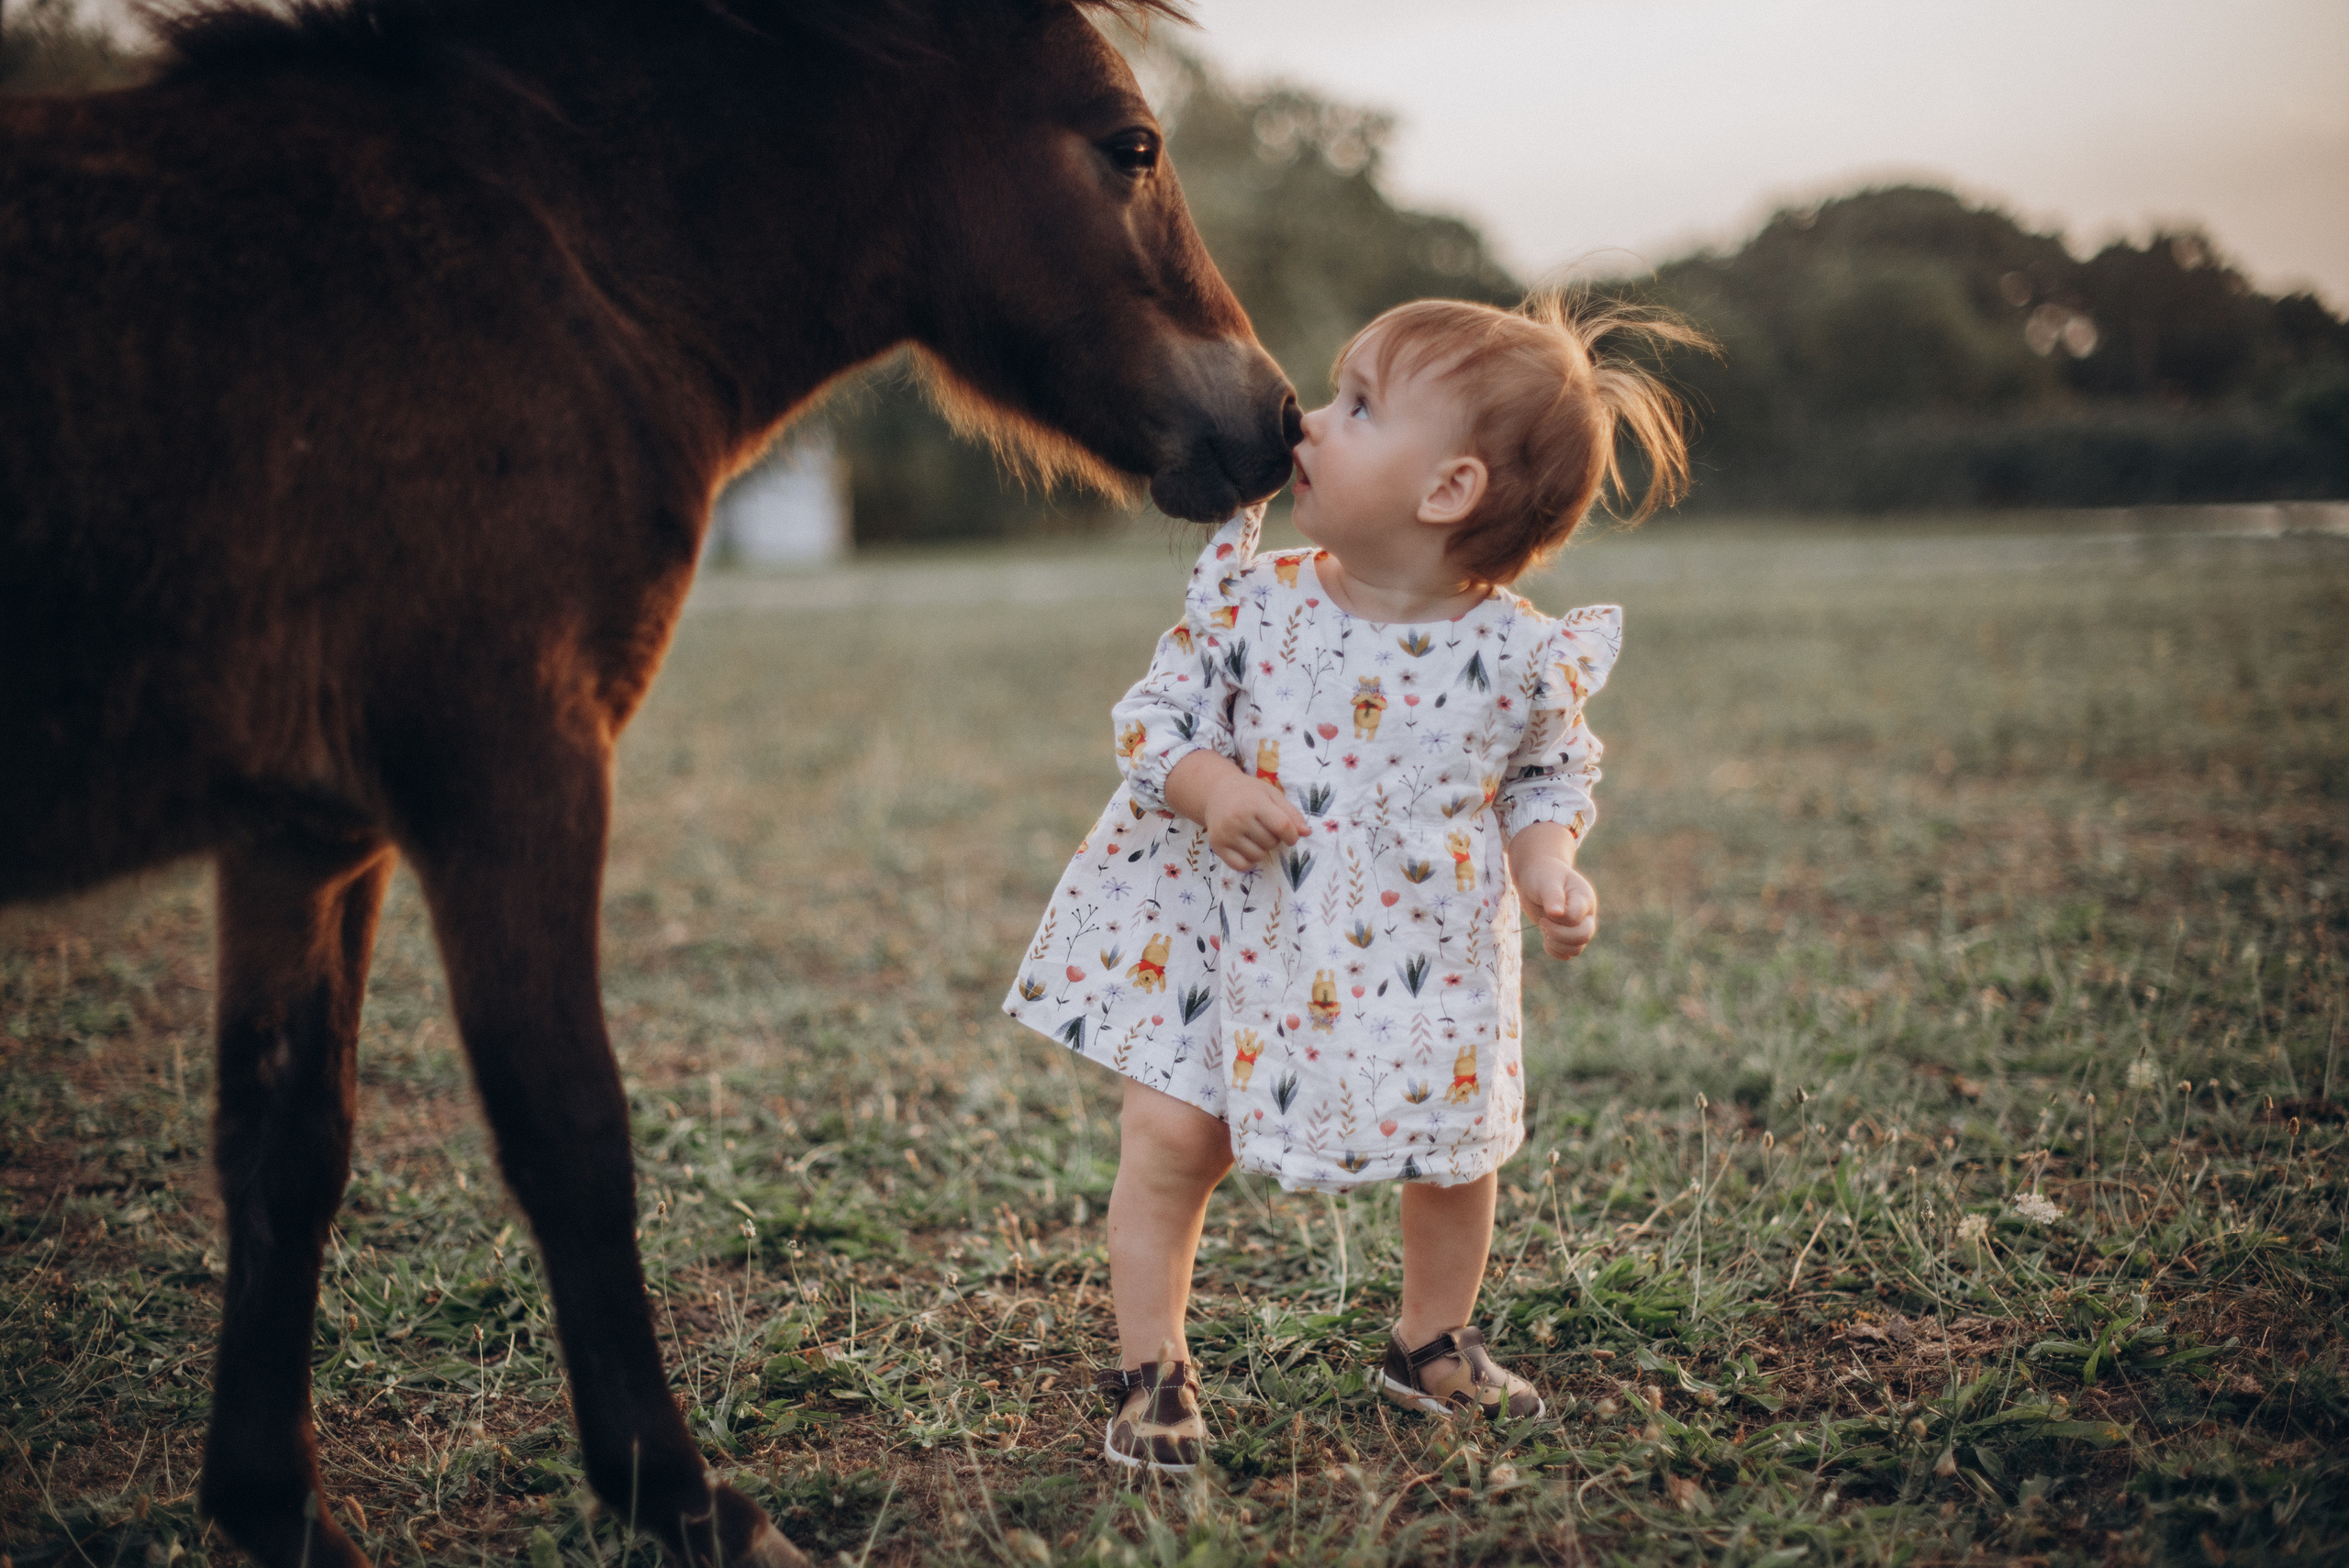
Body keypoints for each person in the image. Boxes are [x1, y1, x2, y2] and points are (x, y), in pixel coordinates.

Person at [1004, 292, 1703, 1472]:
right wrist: (1214, 787)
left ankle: (1431, 1339)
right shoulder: (1254, 602)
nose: (1309, 419)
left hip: (1413, 944)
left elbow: (1546, 771)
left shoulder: (1518, 656)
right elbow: (1153, 721)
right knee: (1171, 1136)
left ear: (1448, 490)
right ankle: (1151, 1370)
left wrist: (1547, 862)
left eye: (1359, 405)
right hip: (1228, 931)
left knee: (1455, 1147)